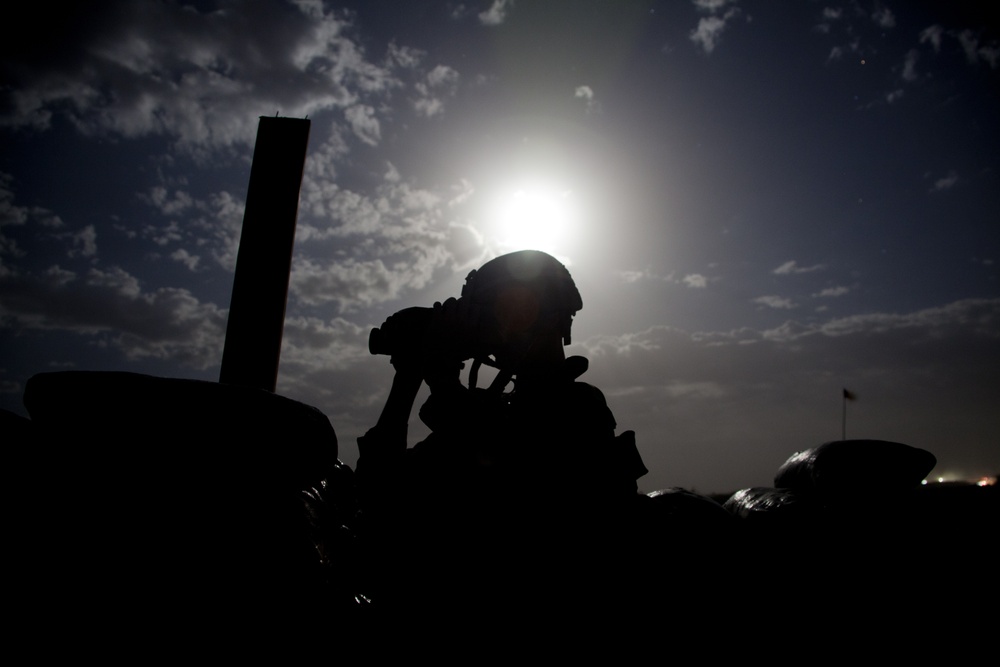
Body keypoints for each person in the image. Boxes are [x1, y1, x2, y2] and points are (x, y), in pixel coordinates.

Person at [355, 250, 646, 613]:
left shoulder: (579, 407)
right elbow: (378, 499)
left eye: (516, 308)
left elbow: (518, 502)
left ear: (552, 317)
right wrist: (409, 375)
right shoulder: (490, 411)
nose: (499, 324)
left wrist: (442, 380)